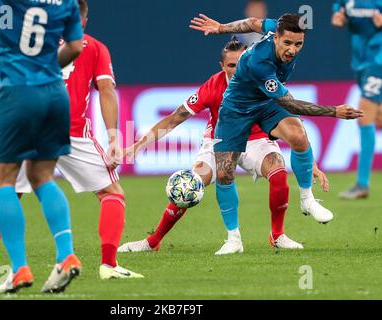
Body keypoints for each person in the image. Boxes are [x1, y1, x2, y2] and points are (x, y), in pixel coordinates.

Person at [0, 0, 142, 288]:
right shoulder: (90, 43)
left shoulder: (16, 34)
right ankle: (102, 263)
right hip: (66, 124)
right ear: (80, 19)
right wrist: (113, 136)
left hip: (20, 113)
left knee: (6, 188)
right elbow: (106, 87)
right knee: (106, 191)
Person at [118, 39, 332, 255]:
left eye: (241, 63)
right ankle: (155, 241)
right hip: (219, 141)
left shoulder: (263, 79)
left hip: (255, 140)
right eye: (231, 65)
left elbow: (291, 119)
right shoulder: (212, 87)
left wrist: (310, 163)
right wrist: (136, 146)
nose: (238, 69)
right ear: (222, 66)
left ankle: (278, 236)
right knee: (189, 186)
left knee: (278, 172)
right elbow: (174, 119)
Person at [188, 13, 363, 246]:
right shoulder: (260, 63)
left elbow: (251, 23)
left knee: (298, 135)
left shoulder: (274, 26)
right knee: (224, 173)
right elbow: (289, 103)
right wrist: (333, 111)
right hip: (236, 108)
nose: (292, 49)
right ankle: (233, 239)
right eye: (287, 43)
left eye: (298, 44)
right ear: (276, 38)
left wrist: (221, 27)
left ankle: (307, 199)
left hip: (265, 104)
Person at [0, 0, 84, 294]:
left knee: (3, 180)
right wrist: (46, 66)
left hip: (16, 90)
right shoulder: (67, 2)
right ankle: (65, 255)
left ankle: (19, 268)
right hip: (55, 92)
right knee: (42, 177)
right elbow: (76, 47)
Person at [332, 0, 382, 199]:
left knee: (364, 115)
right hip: (360, 60)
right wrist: (339, 18)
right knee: (377, 115)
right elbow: (339, 12)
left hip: (378, 59)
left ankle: (362, 184)